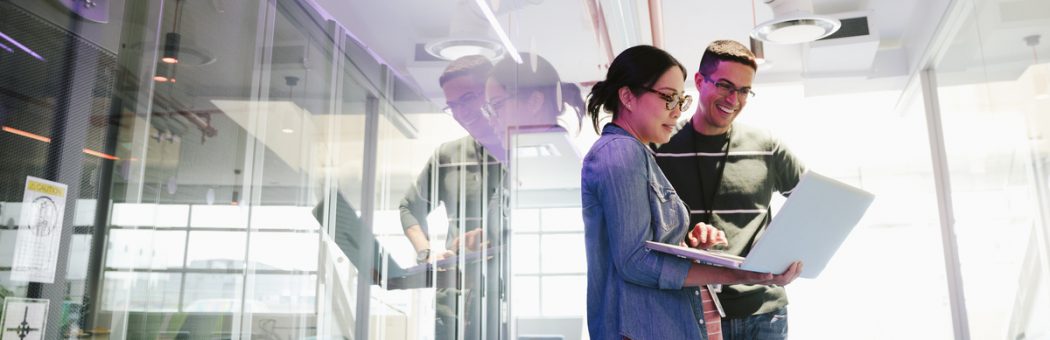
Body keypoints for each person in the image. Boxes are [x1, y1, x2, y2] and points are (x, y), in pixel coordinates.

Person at [583, 44, 801, 340]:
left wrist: (689, 245)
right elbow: (635, 261)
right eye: (667, 98)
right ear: (627, 96)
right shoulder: (622, 153)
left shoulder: (637, 153)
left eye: (680, 100)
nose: (676, 110)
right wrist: (740, 274)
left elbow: (642, 246)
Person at [654, 40, 806, 339]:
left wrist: (792, 255)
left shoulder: (768, 147)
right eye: (725, 85)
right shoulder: (660, 147)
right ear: (699, 81)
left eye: (744, 90)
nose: (734, 99)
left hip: (764, 310)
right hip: (687, 308)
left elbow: (813, 205)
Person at [398, 54, 504, 340]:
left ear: (492, 92)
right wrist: (427, 252)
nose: (462, 112)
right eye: (453, 105)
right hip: (454, 302)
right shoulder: (447, 155)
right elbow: (409, 207)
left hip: (506, 298)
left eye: (468, 98)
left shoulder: (523, 151)